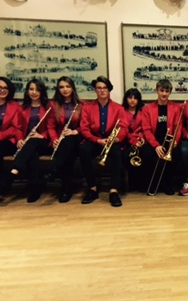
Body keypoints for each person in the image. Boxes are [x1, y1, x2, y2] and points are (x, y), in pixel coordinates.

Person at [78, 76, 129, 207]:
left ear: (109, 89)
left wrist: (116, 138)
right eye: (99, 88)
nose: (102, 90)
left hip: (111, 140)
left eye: (105, 88)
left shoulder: (118, 108)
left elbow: (124, 127)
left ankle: (114, 190)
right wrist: (97, 140)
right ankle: (92, 188)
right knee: (83, 150)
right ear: (95, 90)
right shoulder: (87, 107)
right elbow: (84, 128)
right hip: (95, 139)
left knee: (117, 152)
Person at [11, 78, 52, 203]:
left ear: (42, 92)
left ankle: (17, 166)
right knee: (32, 154)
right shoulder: (22, 108)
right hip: (28, 143)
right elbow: (18, 128)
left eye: (37, 90)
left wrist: (41, 135)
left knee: (33, 143)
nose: (34, 92)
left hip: (44, 142)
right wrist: (19, 139)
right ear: (27, 91)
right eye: (31, 89)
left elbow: (52, 127)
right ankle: (35, 188)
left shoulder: (48, 107)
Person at [139, 79, 183, 196]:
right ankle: (151, 183)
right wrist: (156, 145)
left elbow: (178, 127)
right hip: (154, 141)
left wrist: (175, 141)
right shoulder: (147, 109)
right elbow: (146, 129)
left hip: (169, 140)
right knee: (146, 153)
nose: (164, 94)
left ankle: (168, 184)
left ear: (170, 92)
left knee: (176, 154)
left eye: (167, 91)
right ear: (156, 91)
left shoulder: (176, 108)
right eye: (161, 90)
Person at [47, 76, 84, 203]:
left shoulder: (81, 104)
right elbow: (50, 126)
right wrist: (54, 139)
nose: (65, 89)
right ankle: (66, 188)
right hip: (62, 141)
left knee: (70, 139)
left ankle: (56, 171)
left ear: (72, 88)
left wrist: (75, 131)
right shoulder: (53, 105)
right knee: (69, 155)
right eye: (61, 87)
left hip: (78, 137)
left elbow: (85, 125)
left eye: (68, 86)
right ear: (58, 89)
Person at [0, 77, 21, 197]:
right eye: (0, 88)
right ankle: (3, 185)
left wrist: (1, 135)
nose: (2, 90)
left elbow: (15, 128)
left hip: (8, 141)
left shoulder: (15, 106)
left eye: (5, 88)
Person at [122, 88, 145, 192]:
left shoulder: (143, 112)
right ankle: (131, 184)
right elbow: (123, 130)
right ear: (126, 99)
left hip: (140, 140)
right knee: (125, 156)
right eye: (130, 97)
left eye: (135, 98)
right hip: (126, 141)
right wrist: (133, 141)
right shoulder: (122, 111)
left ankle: (141, 183)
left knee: (145, 154)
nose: (132, 100)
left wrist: (142, 138)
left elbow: (145, 127)